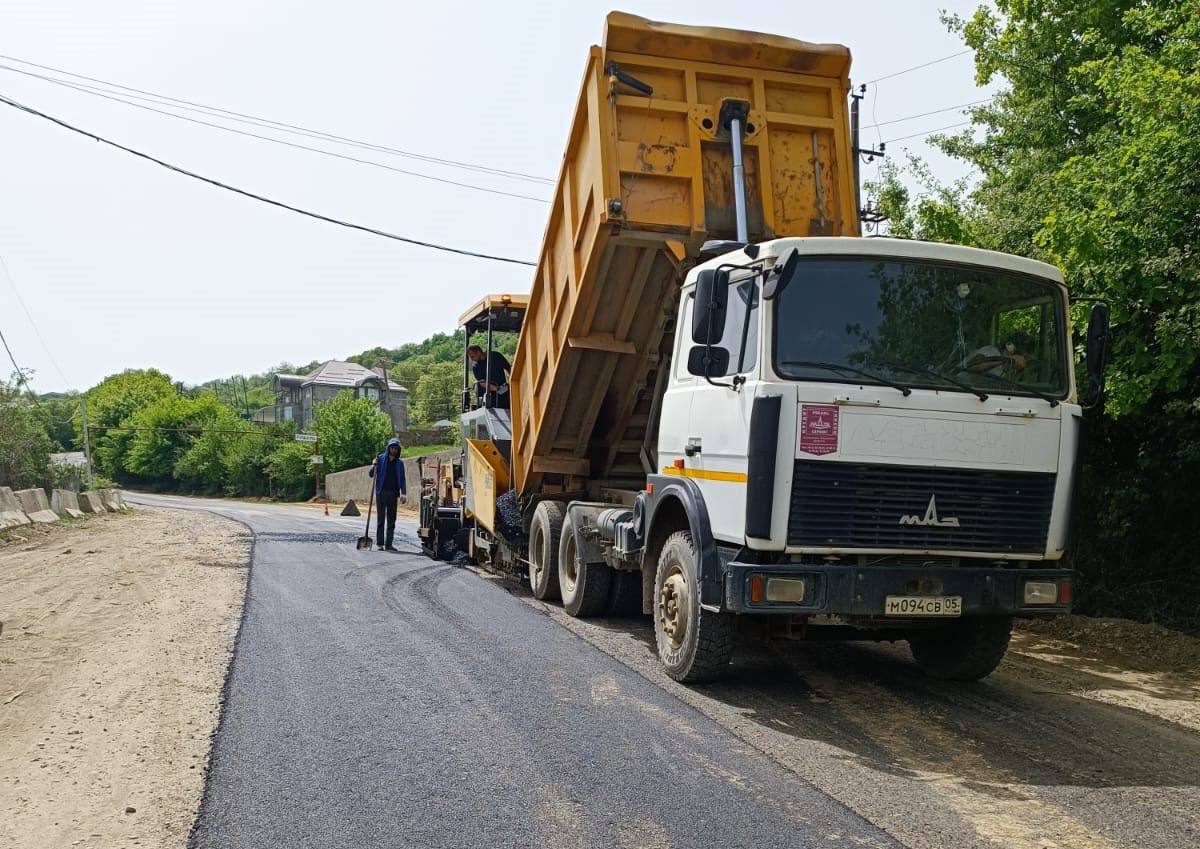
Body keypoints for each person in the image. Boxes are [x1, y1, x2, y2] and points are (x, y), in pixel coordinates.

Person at [368, 437, 406, 552]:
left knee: (391, 520)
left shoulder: (399, 463)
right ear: (388, 448)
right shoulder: (380, 459)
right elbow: (371, 474)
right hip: (381, 493)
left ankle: (389, 544)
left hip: (393, 494)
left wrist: (403, 493)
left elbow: (403, 479)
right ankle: (380, 543)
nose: (394, 450)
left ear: (398, 450)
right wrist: (373, 465)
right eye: (392, 448)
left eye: (396, 448)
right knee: (381, 519)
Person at [467, 344, 512, 409]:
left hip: (504, 391)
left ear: (479, 352)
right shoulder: (475, 366)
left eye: (472, 356)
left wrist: (511, 383)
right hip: (489, 396)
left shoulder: (496, 356)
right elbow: (482, 383)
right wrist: (498, 389)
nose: (472, 359)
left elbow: (508, 368)